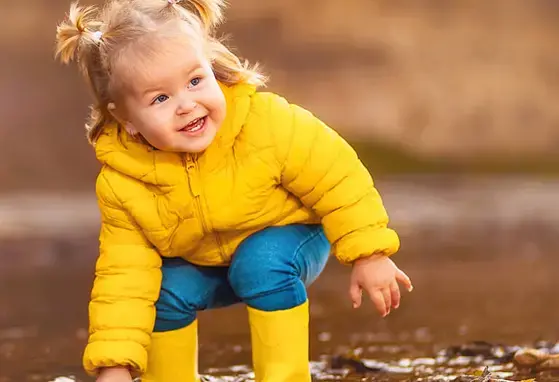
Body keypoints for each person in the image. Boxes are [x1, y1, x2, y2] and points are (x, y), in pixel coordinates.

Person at [55, 0, 413, 381]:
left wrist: (370, 253)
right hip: (210, 259)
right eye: (160, 98)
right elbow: (123, 275)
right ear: (126, 120)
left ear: (212, 67)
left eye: (195, 81)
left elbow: (337, 175)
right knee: (161, 289)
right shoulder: (124, 181)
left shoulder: (265, 124)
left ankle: (284, 376)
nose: (186, 105)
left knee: (261, 263)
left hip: (289, 236)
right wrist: (115, 364)